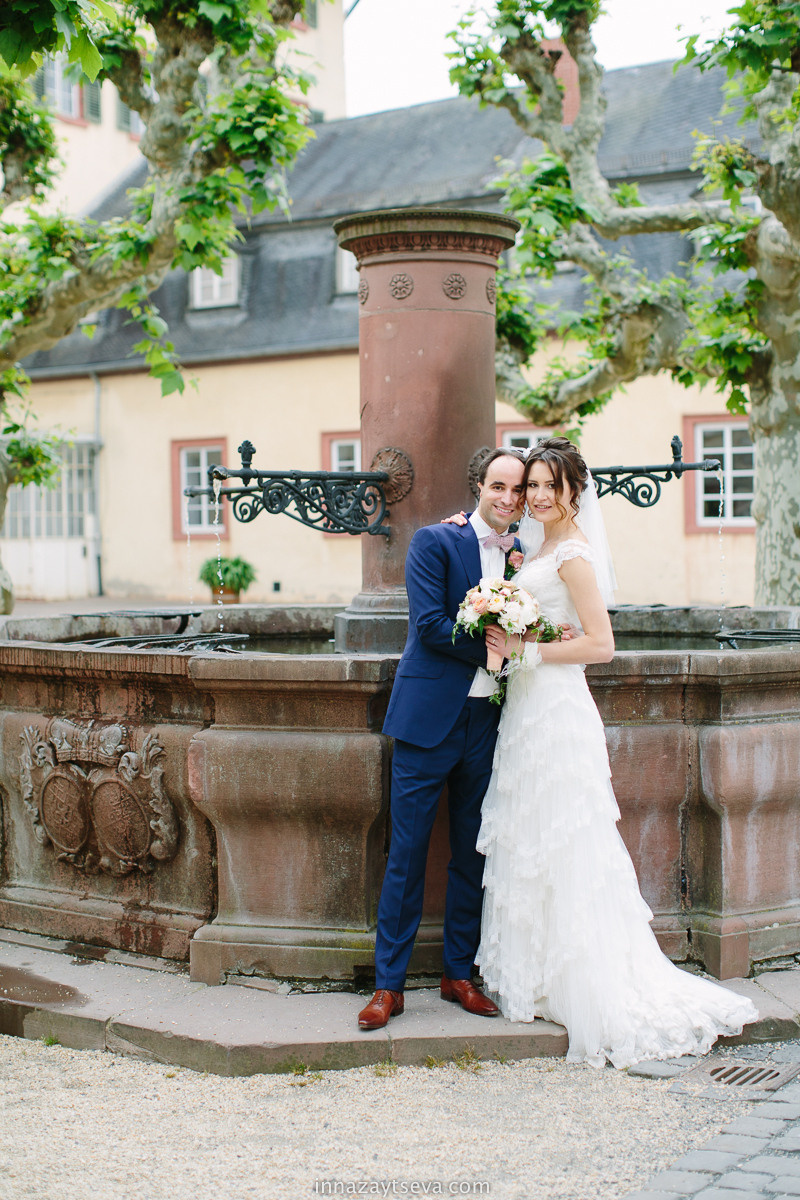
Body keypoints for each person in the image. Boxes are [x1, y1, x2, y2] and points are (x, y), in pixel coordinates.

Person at [459, 436, 758, 1067]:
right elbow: (557, 625)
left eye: (548, 485)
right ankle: (539, 971)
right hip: (527, 708)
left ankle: (583, 981)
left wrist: (527, 650)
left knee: (567, 836)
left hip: (558, 708)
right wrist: (527, 633)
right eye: (530, 485)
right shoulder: (535, 548)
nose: (537, 495)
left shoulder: (573, 554)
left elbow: (602, 646)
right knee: (531, 833)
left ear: (574, 490)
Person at [357, 449, 528, 1031]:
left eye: (519, 489)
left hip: (488, 722)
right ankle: (388, 985)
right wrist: (493, 646)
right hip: (429, 718)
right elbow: (429, 625)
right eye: (499, 486)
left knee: (471, 852)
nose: (508, 498)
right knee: (405, 855)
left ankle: (459, 975)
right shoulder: (435, 542)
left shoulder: (523, 554)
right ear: (479, 485)